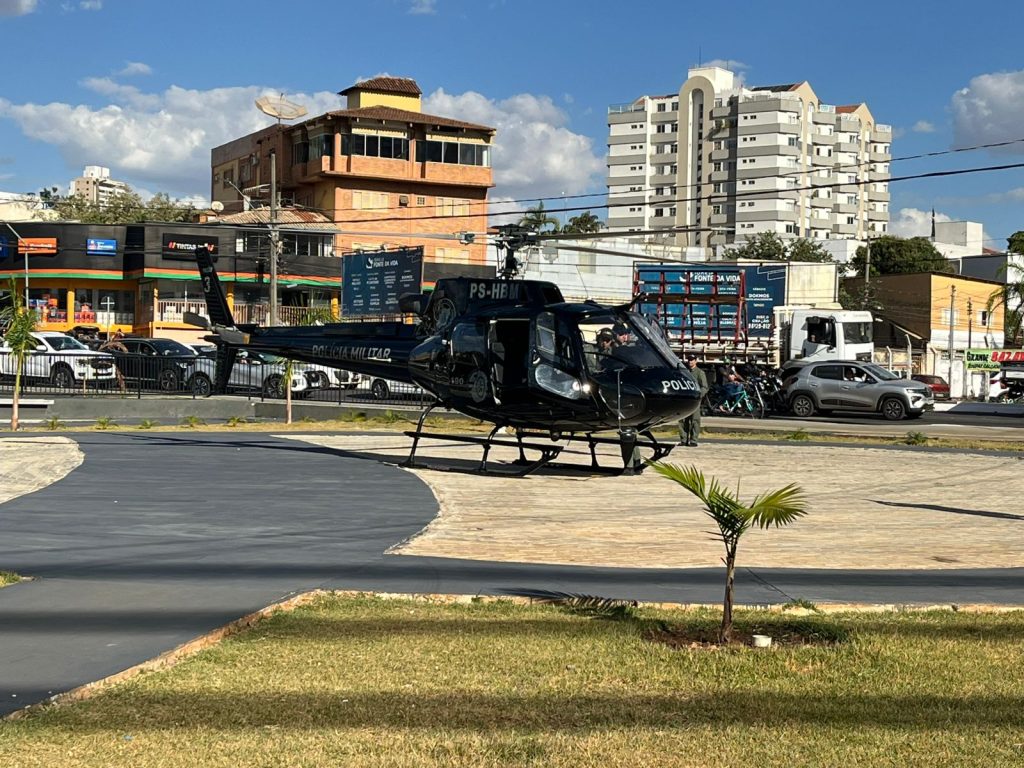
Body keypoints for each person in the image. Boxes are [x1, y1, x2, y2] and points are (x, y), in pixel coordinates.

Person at [678, 354, 709, 447]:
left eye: (692, 360)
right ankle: (683, 439)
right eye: (689, 360)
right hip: (685, 400)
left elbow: (704, 387)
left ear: (696, 361)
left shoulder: (700, 373)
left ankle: (694, 440)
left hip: (695, 400)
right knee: (682, 420)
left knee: (695, 420)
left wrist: (699, 396)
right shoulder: (684, 372)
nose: (690, 362)